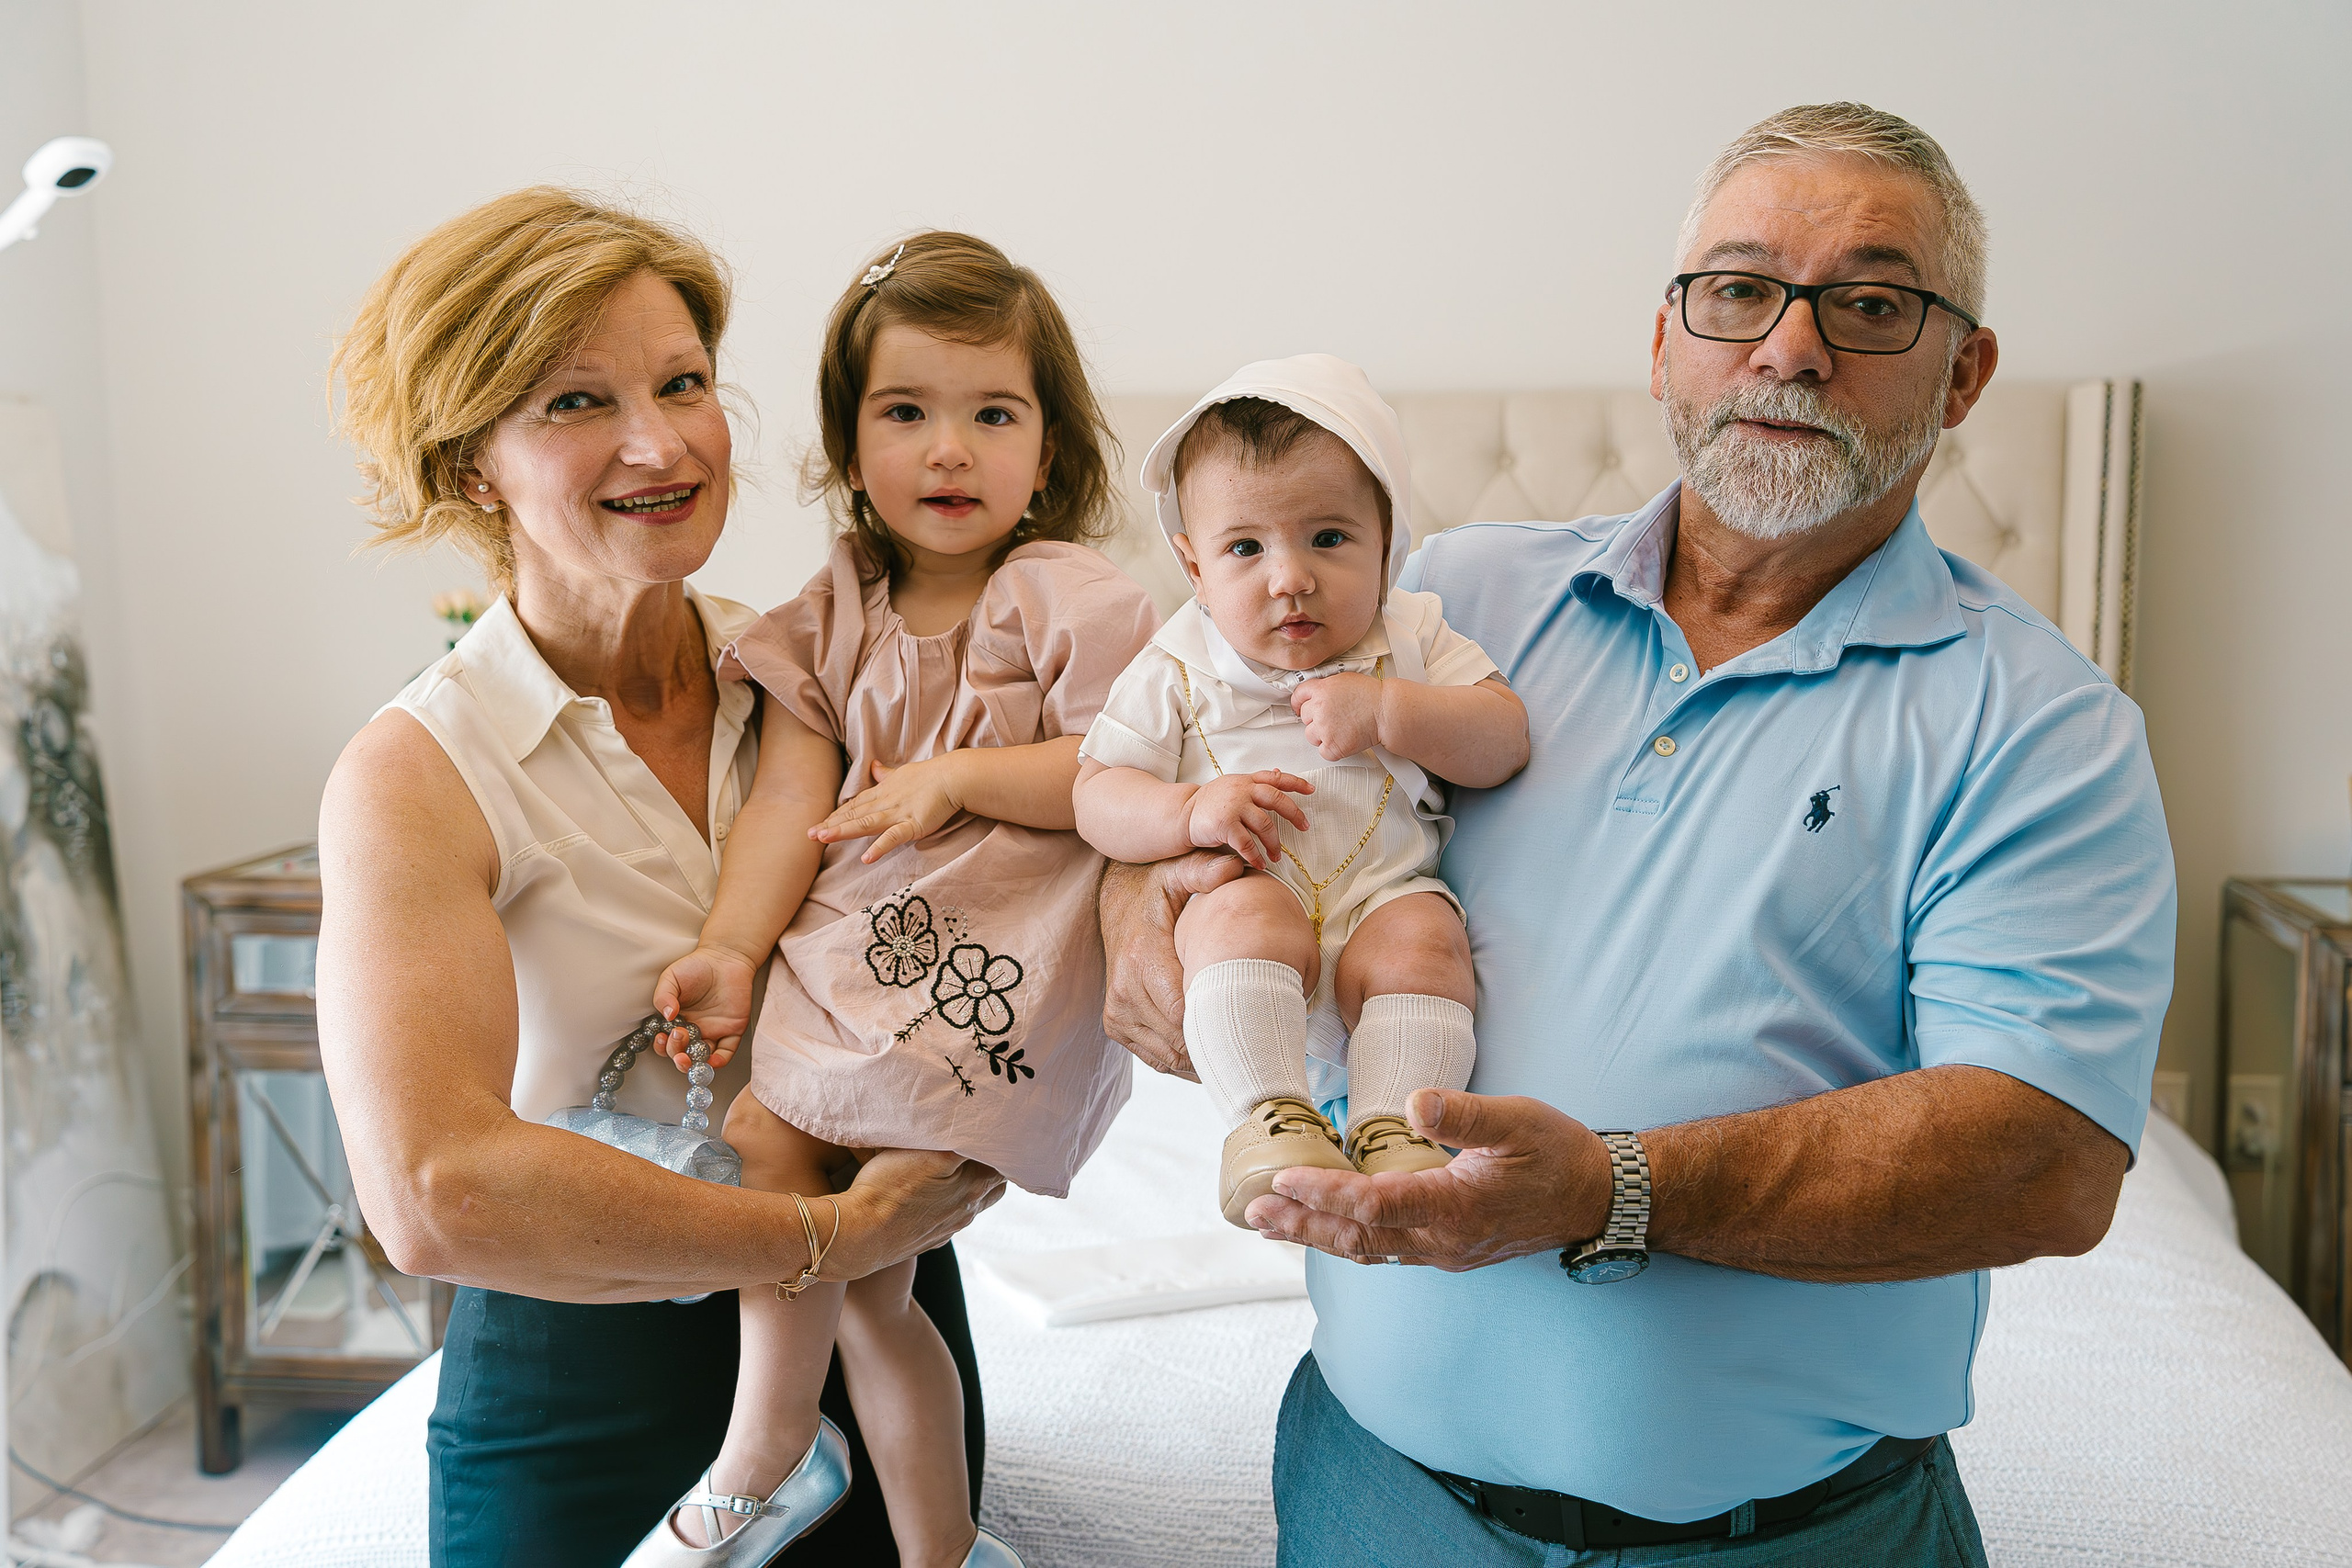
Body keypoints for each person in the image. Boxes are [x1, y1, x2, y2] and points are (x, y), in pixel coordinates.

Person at [1098, 103, 2177, 1566]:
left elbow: (2045, 1157)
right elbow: (1167, 754)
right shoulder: (1444, 605)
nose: (1788, 348)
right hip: (1374, 1495)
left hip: (1791, 1542)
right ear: (1667, 340)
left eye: (1871, 304)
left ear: (1966, 369)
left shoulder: (2041, 721)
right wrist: (1136, 914)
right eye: (1737, 291)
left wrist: (1615, 1189)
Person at [315, 190, 1004, 1568]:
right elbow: (432, 1190)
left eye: (684, 381)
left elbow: (995, 931)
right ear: (472, 469)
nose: (663, 439)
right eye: (577, 402)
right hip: (584, 1365)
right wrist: (813, 1232)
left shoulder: (833, 671)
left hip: (882, 1320)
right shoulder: (417, 771)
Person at [626, 231, 1158, 1568]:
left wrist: (965, 770)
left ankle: (762, 1455)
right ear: (849, 443)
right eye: (906, 412)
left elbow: (1124, 767)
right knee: (833, 1242)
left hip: (999, 971)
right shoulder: (833, 613)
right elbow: (783, 808)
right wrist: (733, 948)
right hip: (855, 954)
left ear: (1050, 446)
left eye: (994, 413)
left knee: (868, 1240)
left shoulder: (1071, 598)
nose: (950, 449)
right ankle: (940, 1544)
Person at [1073, 355, 1527, 1224]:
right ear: (1193, 566)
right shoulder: (1178, 662)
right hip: (1254, 885)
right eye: (1245, 548)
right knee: (1240, 917)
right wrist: (1186, 811)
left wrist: (1393, 710)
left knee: (1428, 942)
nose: (1290, 578)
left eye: (1328, 538)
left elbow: (1503, 736)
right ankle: (1269, 1117)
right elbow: (1096, 792)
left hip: (1383, 889)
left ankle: (1397, 1130)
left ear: (1386, 541)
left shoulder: (1413, 635)